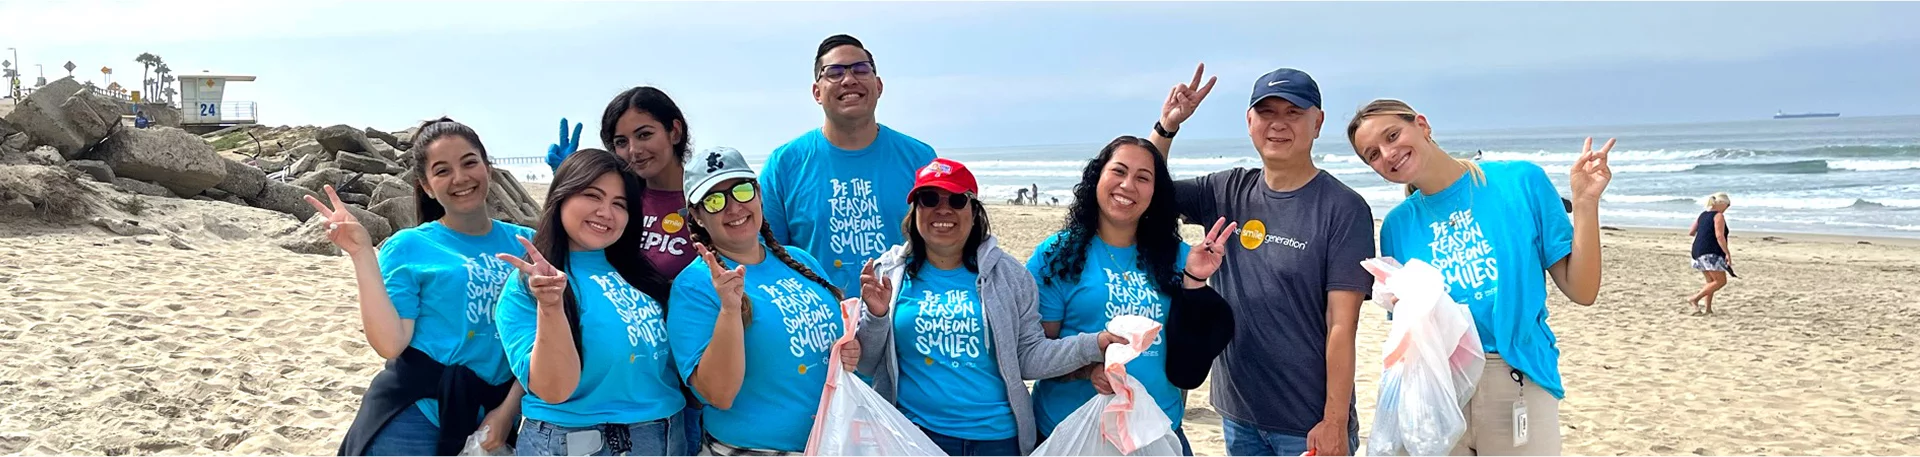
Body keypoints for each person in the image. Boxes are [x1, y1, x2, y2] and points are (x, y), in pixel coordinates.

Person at [1346, 98, 1614, 455]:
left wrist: (1584, 203)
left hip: (1517, 375)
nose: (1388, 154)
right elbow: (1409, 333)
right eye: (1373, 155)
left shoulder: (1520, 182)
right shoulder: (1397, 225)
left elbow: (1582, 290)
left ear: (1422, 125)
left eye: (1392, 136)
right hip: (1440, 385)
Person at [1145, 64, 1374, 456]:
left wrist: (1334, 421)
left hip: (1307, 423)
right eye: (1267, 112)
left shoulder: (1344, 208)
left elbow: (1342, 324)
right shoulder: (1227, 190)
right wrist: (1167, 128)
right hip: (1238, 414)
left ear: (1317, 123)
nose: (1278, 124)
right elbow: (1147, 191)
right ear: (1250, 122)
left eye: (1293, 113)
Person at [853, 158, 1129, 456]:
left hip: (996, 439)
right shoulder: (889, 273)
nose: (942, 210)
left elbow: (1028, 357)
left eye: (957, 200)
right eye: (929, 199)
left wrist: (1093, 344)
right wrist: (877, 317)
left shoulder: (1009, 275)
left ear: (974, 212)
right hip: (914, 434)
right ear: (915, 210)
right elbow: (867, 364)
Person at [1026, 136, 1239, 456]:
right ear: (1097, 177)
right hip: (1070, 431)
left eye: (1143, 178)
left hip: (1156, 429)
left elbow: (1189, 362)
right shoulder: (1058, 255)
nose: (1128, 185)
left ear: (1156, 193)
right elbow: (1034, 355)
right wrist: (1087, 370)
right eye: (1119, 171)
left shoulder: (1181, 258)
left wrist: (1195, 281)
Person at [333, 118, 530, 456]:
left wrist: (508, 411)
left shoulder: (527, 243)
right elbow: (391, 343)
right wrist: (361, 253)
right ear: (425, 185)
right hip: (415, 415)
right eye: (442, 171)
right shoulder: (408, 246)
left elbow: (540, 342)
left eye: (470, 163)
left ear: (488, 167)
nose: (460, 178)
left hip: (495, 414)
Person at [665, 146, 859, 456]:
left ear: (758, 195)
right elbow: (718, 394)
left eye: (741, 191)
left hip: (831, 442)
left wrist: (850, 350)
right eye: (714, 201)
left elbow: (836, 341)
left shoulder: (799, 260)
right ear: (697, 217)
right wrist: (729, 308)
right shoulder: (695, 285)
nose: (733, 208)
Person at [493, 148, 686, 456]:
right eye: (593, 196)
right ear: (562, 196)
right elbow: (553, 389)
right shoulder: (528, 287)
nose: (605, 212)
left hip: (665, 432)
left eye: (619, 204)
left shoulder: (639, 274)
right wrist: (551, 305)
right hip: (577, 439)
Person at [760, 34, 938, 300]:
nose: (849, 79)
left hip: (902, 315)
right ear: (817, 92)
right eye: (833, 72)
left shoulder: (920, 158)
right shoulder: (784, 164)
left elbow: (942, 247)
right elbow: (768, 255)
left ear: (878, 86)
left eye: (860, 69)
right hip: (819, 320)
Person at [1688, 192, 1733, 316]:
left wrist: (1704, 234)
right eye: (1727, 206)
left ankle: (1708, 309)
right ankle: (1695, 299)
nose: (1727, 209)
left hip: (1697, 250)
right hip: (1710, 251)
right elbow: (1719, 236)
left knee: (1710, 281)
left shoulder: (1703, 215)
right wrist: (1727, 253)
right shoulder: (1718, 216)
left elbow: (1691, 232)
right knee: (1720, 281)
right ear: (1722, 203)